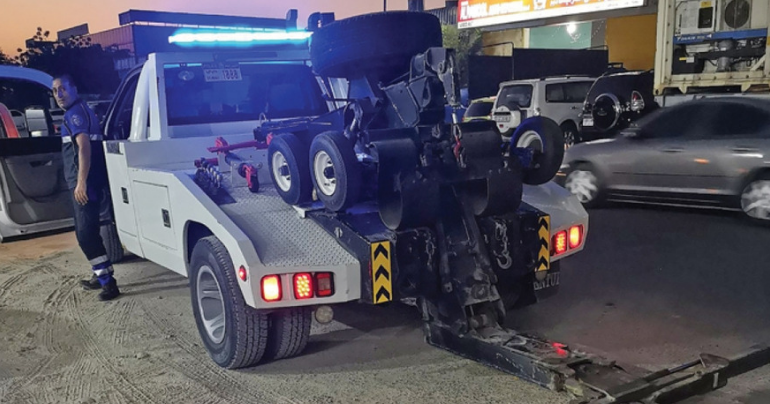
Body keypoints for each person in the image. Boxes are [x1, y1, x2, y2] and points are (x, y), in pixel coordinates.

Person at [52, 74, 120, 301]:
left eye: (63, 89)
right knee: (89, 230)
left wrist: (81, 182)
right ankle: (99, 274)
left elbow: (84, 148)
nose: (59, 94)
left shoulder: (75, 115)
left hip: (86, 184)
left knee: (85, 235)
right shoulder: (80, 111)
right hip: (88, 181)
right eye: (55, 91)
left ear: (74, 88)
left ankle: (108, 284)